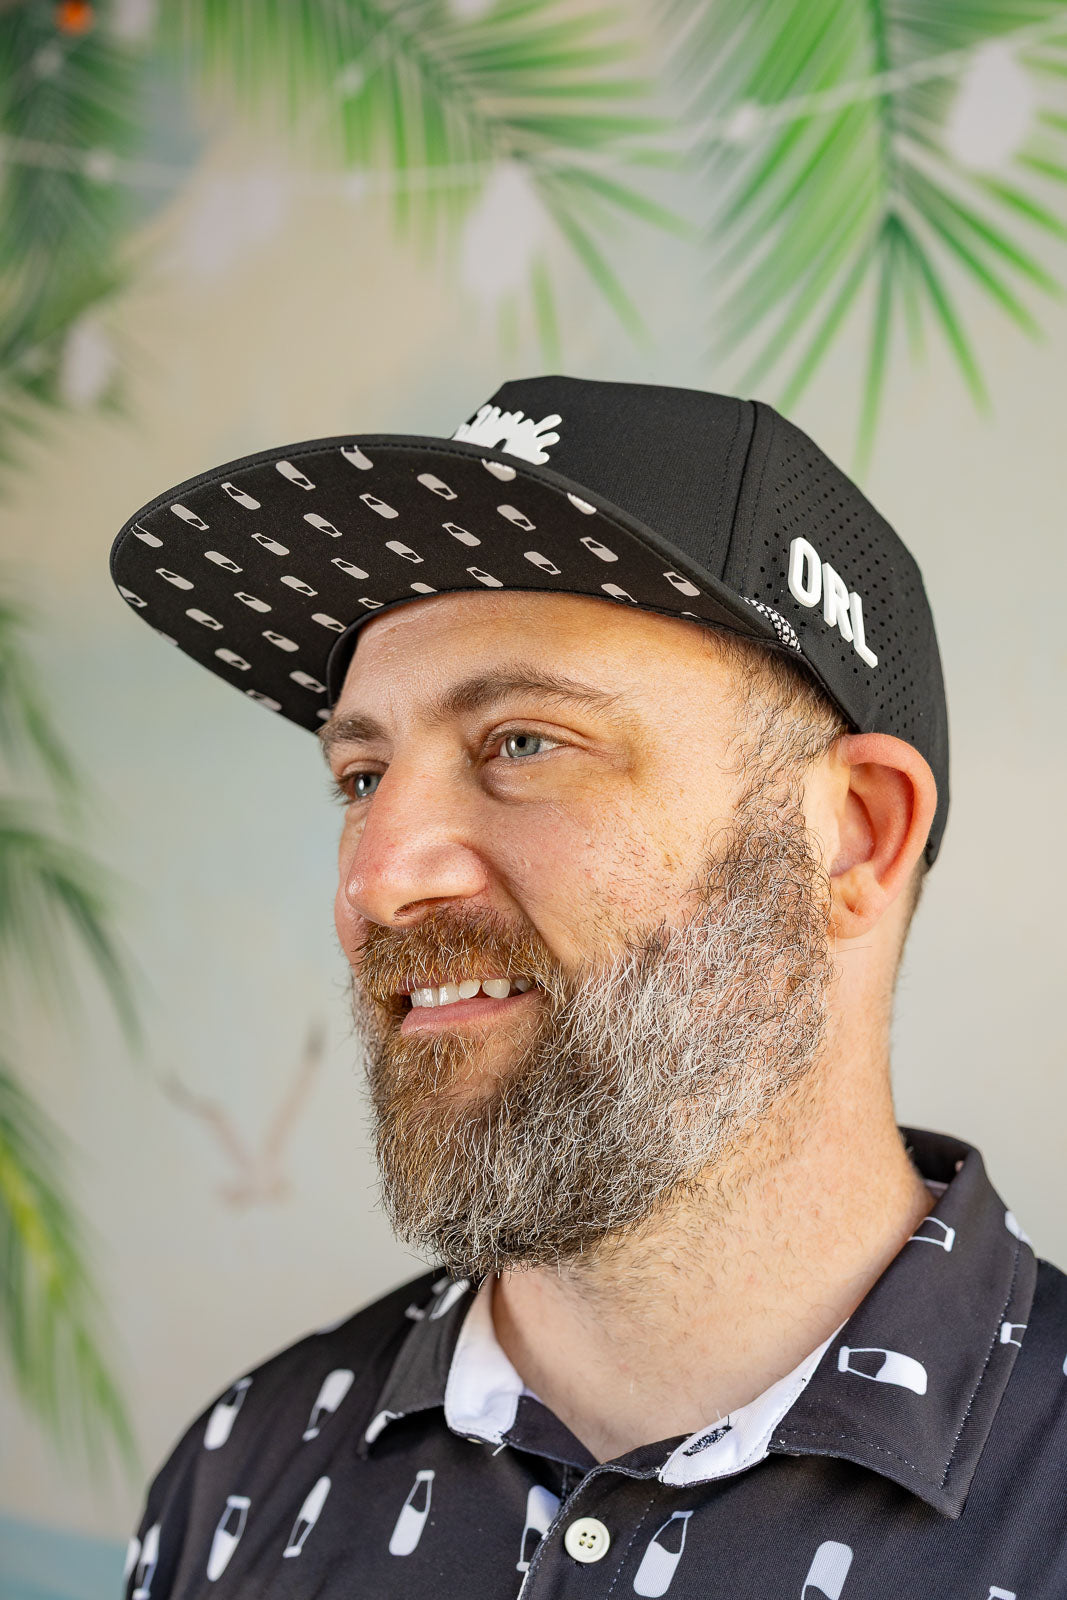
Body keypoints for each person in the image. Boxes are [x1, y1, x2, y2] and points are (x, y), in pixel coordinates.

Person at [110, 377, 1064, 1598]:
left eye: (522, 741)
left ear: (853, 835)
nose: (378, 880)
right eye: (360, 777)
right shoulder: (236, 1481)